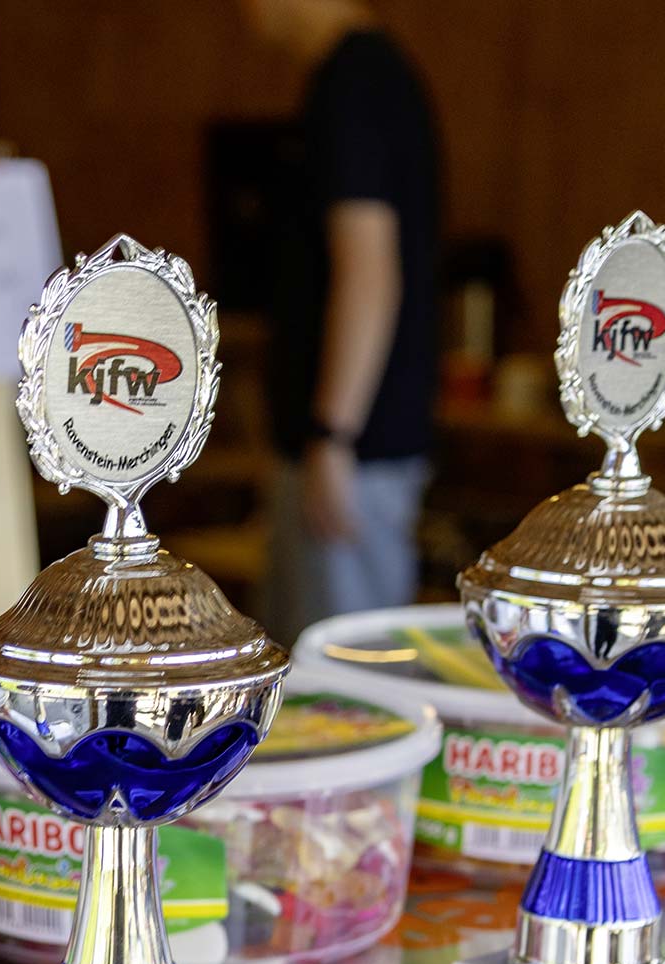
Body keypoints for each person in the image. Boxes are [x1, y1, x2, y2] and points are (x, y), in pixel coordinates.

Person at [244, 0, 441, 643]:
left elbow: (369, 269)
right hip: (346, 444)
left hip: (354, 451)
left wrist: (333, 434)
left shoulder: (355, 80)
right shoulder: (362, 74)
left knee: (338, 670)